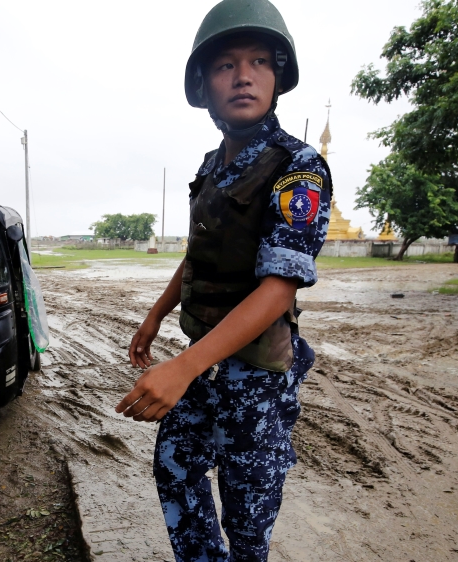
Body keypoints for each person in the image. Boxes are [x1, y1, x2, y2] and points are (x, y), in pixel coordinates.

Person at [114, 1, 332, 560]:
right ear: (203, 86)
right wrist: (157, 313)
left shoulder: (298, 167)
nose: (243, 75)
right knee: (176, 469)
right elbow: (199, 254)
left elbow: (278, 288)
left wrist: (181, 368)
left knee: (247, 517)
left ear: (278, 77)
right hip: (204, 361)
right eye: (225, 65)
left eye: (259, 61)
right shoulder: (213, 165)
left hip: (257, 377)